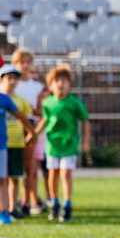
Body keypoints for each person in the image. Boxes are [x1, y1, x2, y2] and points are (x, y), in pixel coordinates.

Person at [35, 65, 90, 223]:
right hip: (52, 144)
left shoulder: (74, 103)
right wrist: (34, 135)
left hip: (69, 144)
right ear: (51, 85)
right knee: (53, 174)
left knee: (66, 173)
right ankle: (54, 202)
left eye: (64, 81)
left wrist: (86, 142)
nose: (60, 84)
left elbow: (85, 121)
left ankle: (67, 204)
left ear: (69, 84)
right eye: (57, 81)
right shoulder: (48, 103)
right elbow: (45, 120)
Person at [13, 49, 49, 215]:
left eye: (28, 62)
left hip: (31, 127)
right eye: (22, 62)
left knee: (31, 168)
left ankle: (30, 201)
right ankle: (12, 202)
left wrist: (31, 110)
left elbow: (42, 111)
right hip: (12, 128)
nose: (25, 66)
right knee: (13, 169)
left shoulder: (37, 86)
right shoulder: (10, 85)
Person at [0, 65, 35, 225]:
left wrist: (32, 132)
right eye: (9, 78)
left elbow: (22, 117)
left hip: (4, 145)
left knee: (6, 178)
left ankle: (6, 210)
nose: (12, 81)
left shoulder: (5, 99)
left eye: (15, 78)